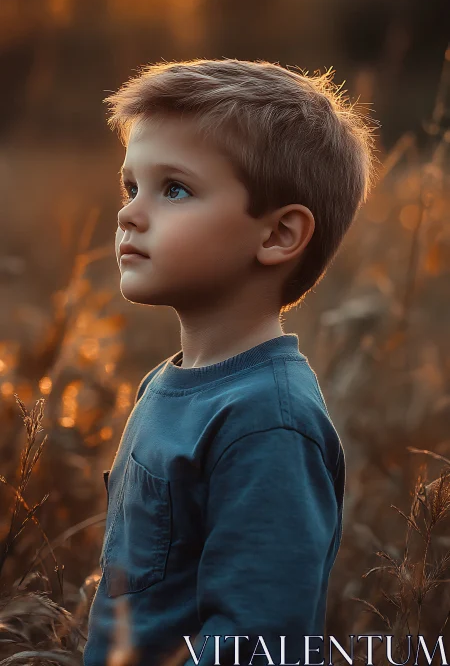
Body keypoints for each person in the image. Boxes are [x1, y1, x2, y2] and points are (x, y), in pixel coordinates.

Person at [83, 59, 380, 666]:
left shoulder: (267, 422)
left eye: (175, 189)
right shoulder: (168, 383)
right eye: (130, 187)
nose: (129, 214)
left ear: (277, 236)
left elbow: (258, 637)